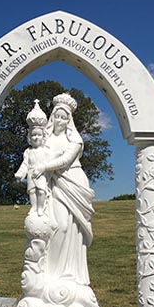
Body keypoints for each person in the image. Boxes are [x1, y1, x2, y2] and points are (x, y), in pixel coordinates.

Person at [32, 92, 95, 288]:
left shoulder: (74, 140)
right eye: (57, 115)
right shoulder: (46, 137)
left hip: (73, 182)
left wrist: (44, 167)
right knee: (57, 226)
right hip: (54, 185)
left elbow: (66, 160)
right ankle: (50, 274)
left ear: (70, 119)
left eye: (64, 116)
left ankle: (70, 274)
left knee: (71, 228)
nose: (60, 119)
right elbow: (35, 152)